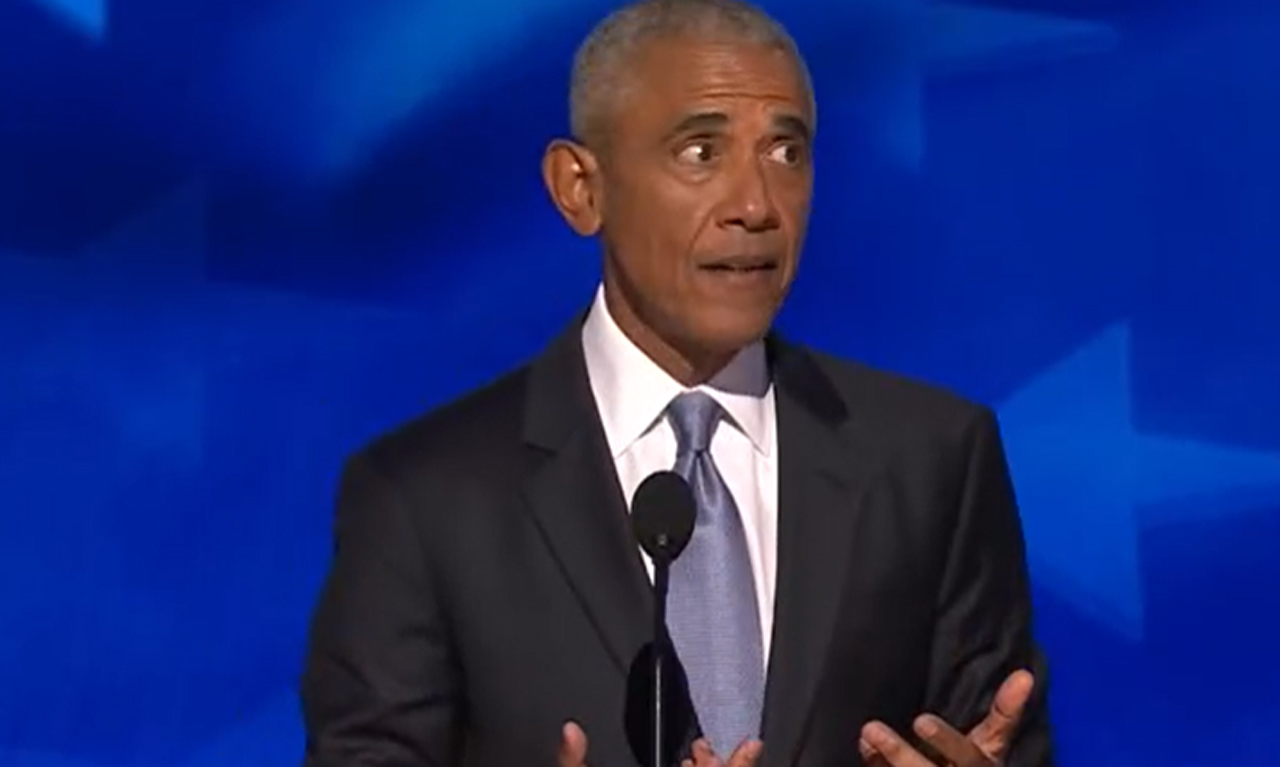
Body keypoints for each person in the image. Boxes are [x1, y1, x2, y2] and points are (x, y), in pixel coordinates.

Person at [299, 1, 1054, 766]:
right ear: (579, 189)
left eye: (786, 153)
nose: (757, 205)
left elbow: (1002, 744)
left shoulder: (933, 460)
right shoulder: (423, 498)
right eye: (700, 152)